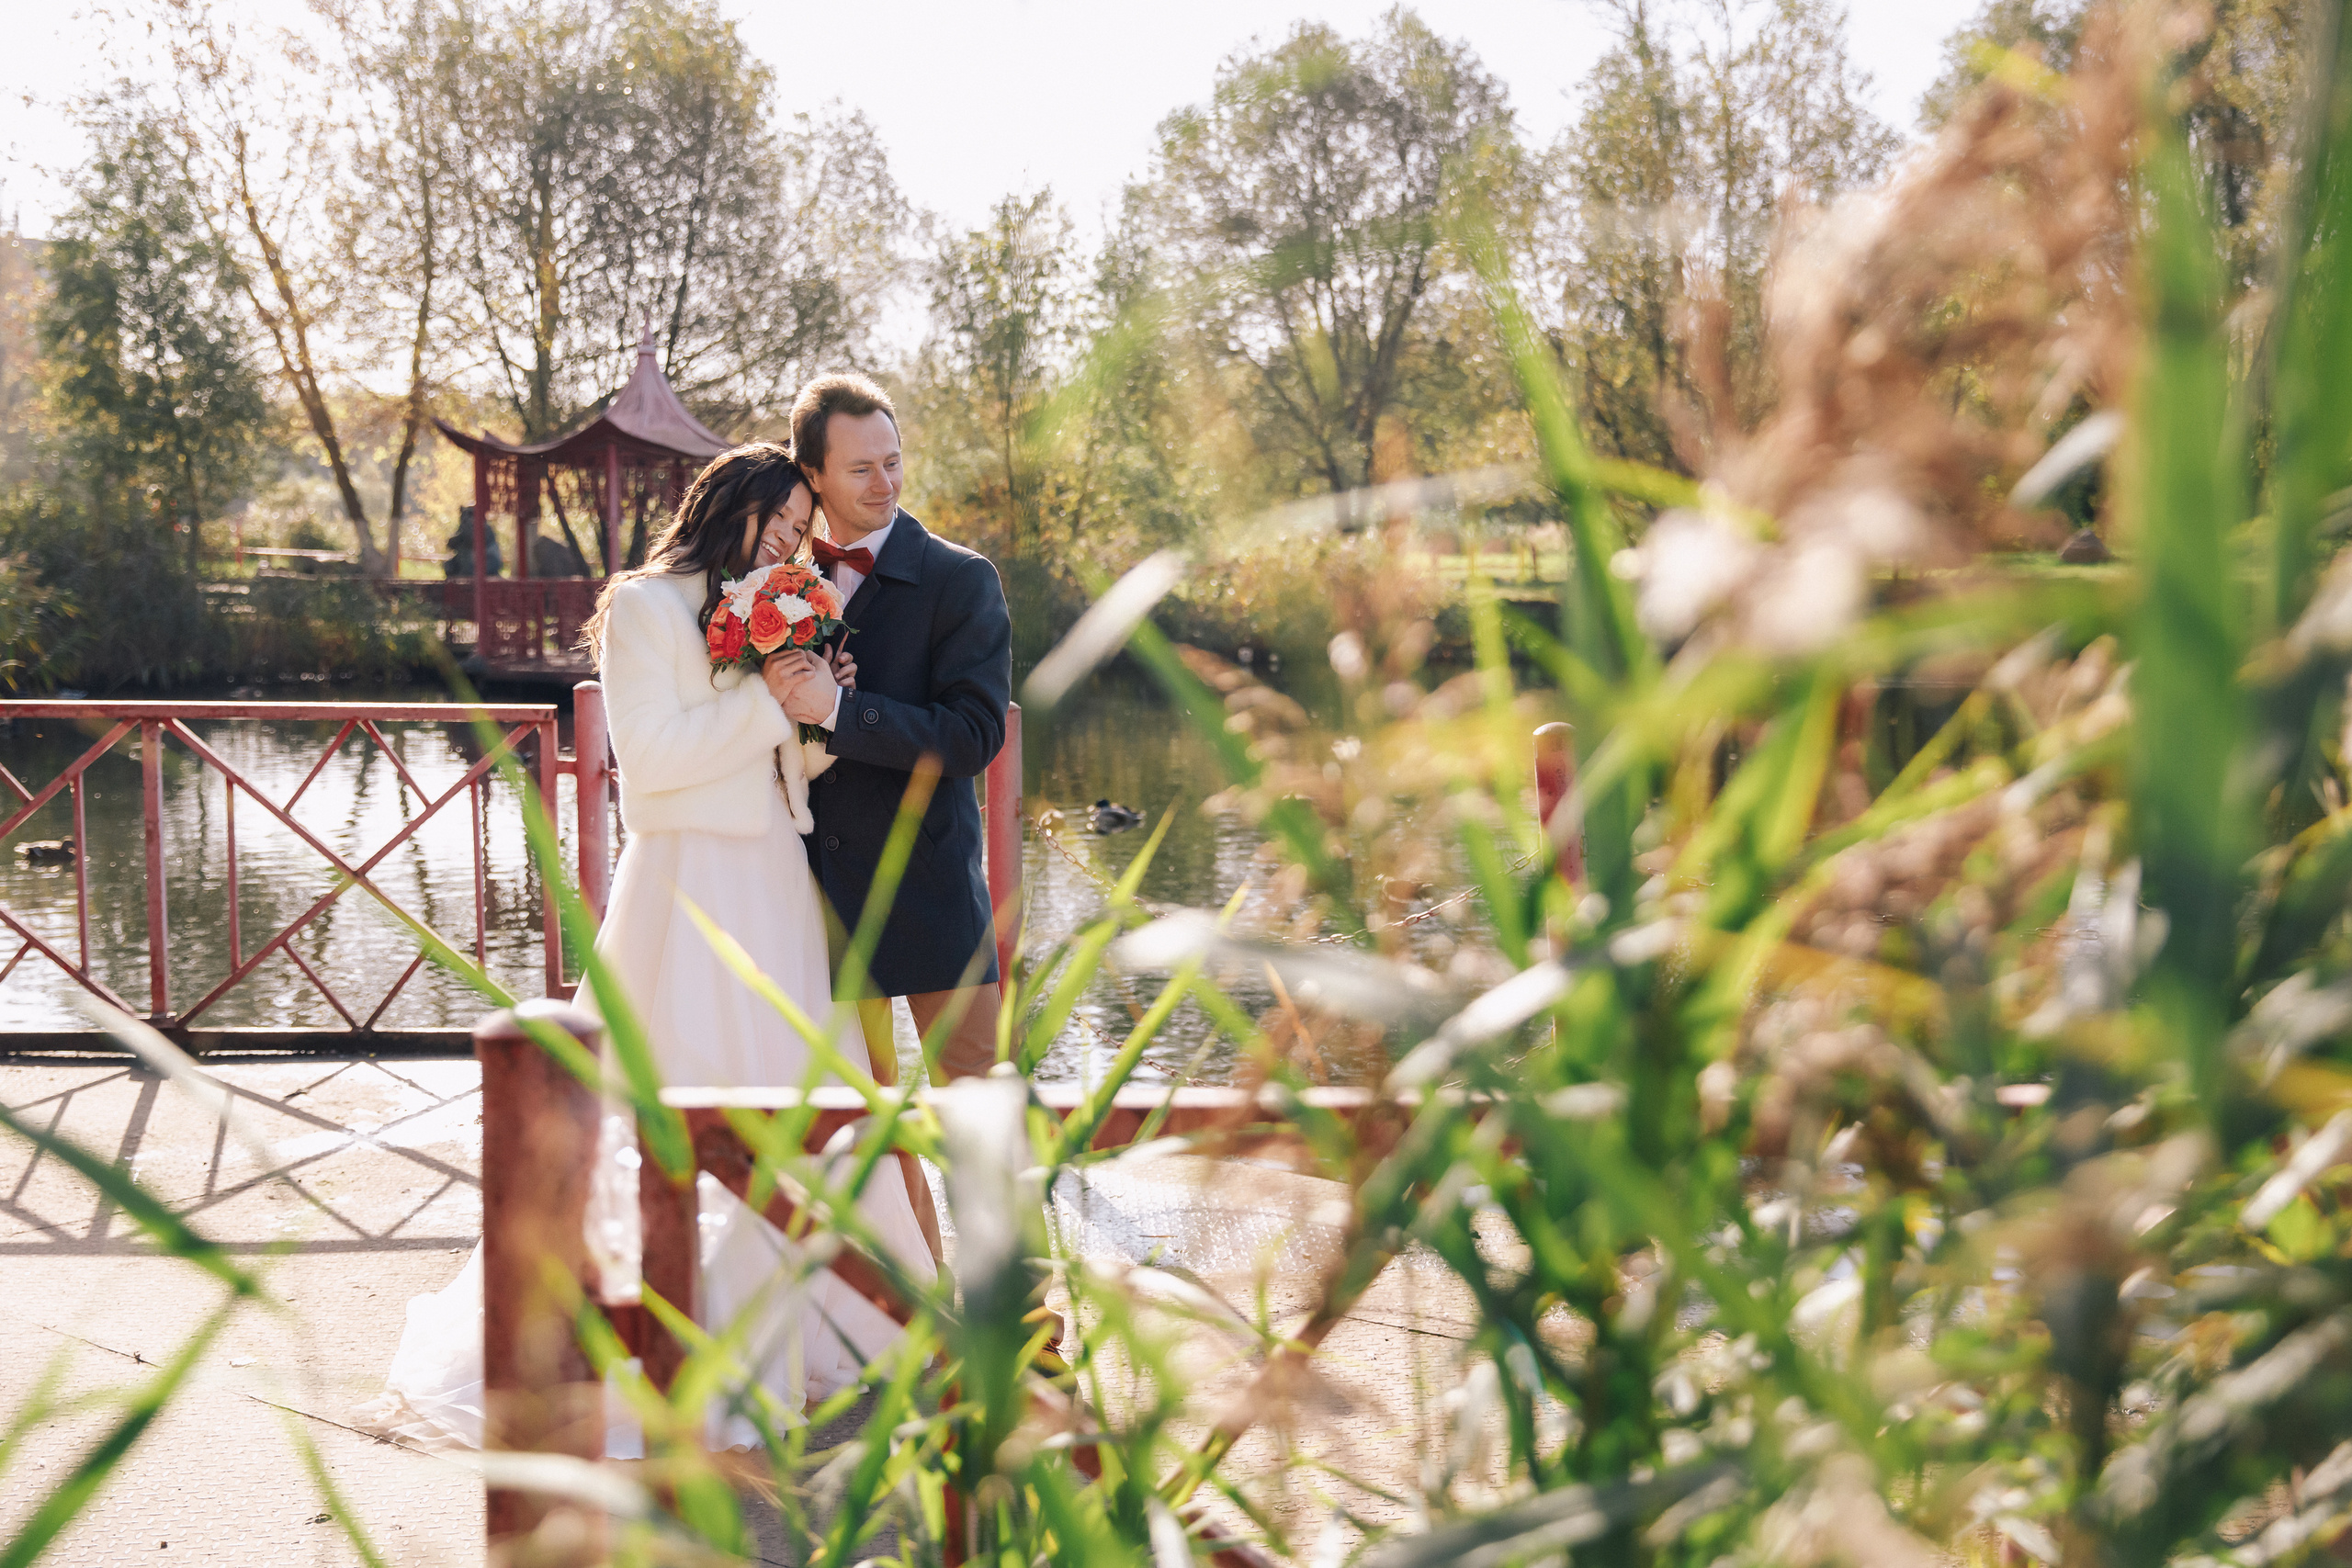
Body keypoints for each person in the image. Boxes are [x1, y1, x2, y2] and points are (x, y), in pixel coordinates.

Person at [359, 442, 934, 1452]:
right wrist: (765, 701)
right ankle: (670, 1334)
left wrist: (815, 708)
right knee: (681, 1103)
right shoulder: (644, 605)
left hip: (777, 883)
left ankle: (824, 1323)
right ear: (726, 504)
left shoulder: (771, 607)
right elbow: (655, 765)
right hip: (690, 887)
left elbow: (786, 769)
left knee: (803, 1102)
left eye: (799, 531)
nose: (788, 543)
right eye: (776, 522)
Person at [770, 375, 1012, 1258]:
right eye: (861, 468)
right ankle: (920, 1295)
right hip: (821, 900)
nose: (886, 482)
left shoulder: (960, 578)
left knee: (976, 1108)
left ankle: (1020, 1314)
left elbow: (974, 734)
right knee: (866, 1117)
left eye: (894, 461)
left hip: (929, 889)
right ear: (812, 474)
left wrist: (842, 713)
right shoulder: (774, 580)